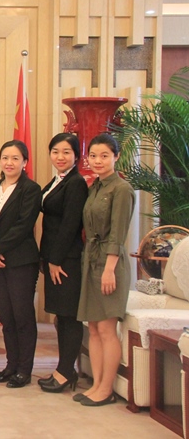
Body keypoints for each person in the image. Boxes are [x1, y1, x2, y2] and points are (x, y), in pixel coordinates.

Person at [75, 133, 135, 406]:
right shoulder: (95, 187)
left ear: (116, 157)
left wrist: (109, 269)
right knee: (94, 328)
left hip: (110, 263)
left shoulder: (121, 189)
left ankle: (106, 389)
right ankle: (96, 385)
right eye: (93, 156)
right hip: (91, 259)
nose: (98, 161)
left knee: (107, 328)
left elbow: (118, 234)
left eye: (104, 156)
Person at [0, 140, 42, 389]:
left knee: (22, 316)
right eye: (5, 157)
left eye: (15, 158)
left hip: (21, 261)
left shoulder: (31, 189)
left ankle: (24, 370)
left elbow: (23, 225)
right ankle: (10, 365)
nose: (9, 162)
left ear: (24, 162)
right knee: (6, 316)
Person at [38, 133, 88, 393]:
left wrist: (55, 260)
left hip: (66, 260)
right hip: (53, 257)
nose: (60, 156)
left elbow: (70, 225)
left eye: (66, 152)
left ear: (76, 156)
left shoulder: (76, 183)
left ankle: (67, 372)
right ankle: (63, 369)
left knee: (69, 316)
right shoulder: (59, 180)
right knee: (61, 315)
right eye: (55, 151)